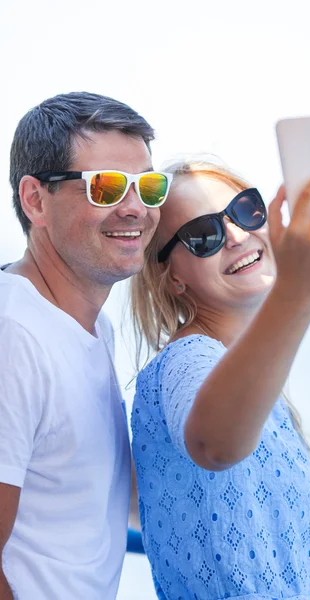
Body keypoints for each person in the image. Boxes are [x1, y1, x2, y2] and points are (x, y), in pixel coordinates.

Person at [130, 158, 310, 600]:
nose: (238, 236)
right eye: (204, 236)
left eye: (245, 210)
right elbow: (214, 445)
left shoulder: (239, 370)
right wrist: (299, 290)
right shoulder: (189, 357)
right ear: (173, 278)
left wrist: (304, 570)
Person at [0, 91, 172, 599]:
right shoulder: (15, 337)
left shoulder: (93, 329)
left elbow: (93, 495)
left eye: (148, 186)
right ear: (35, 200)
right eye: (107, 187)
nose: (136, 208)